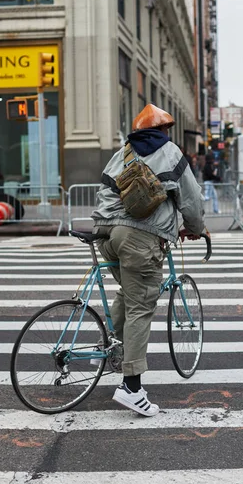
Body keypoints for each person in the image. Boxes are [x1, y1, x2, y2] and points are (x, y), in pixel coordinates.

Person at [91, 104, 205, 416]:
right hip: (140, 238)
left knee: (129, 293)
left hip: (106, 237)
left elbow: (103, 194)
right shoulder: (169, 152)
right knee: (141, 307)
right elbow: (191, 198)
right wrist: (194, 228)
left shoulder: (123, 152)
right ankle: (131, 386)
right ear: (163, 130)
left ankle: (111, 349)